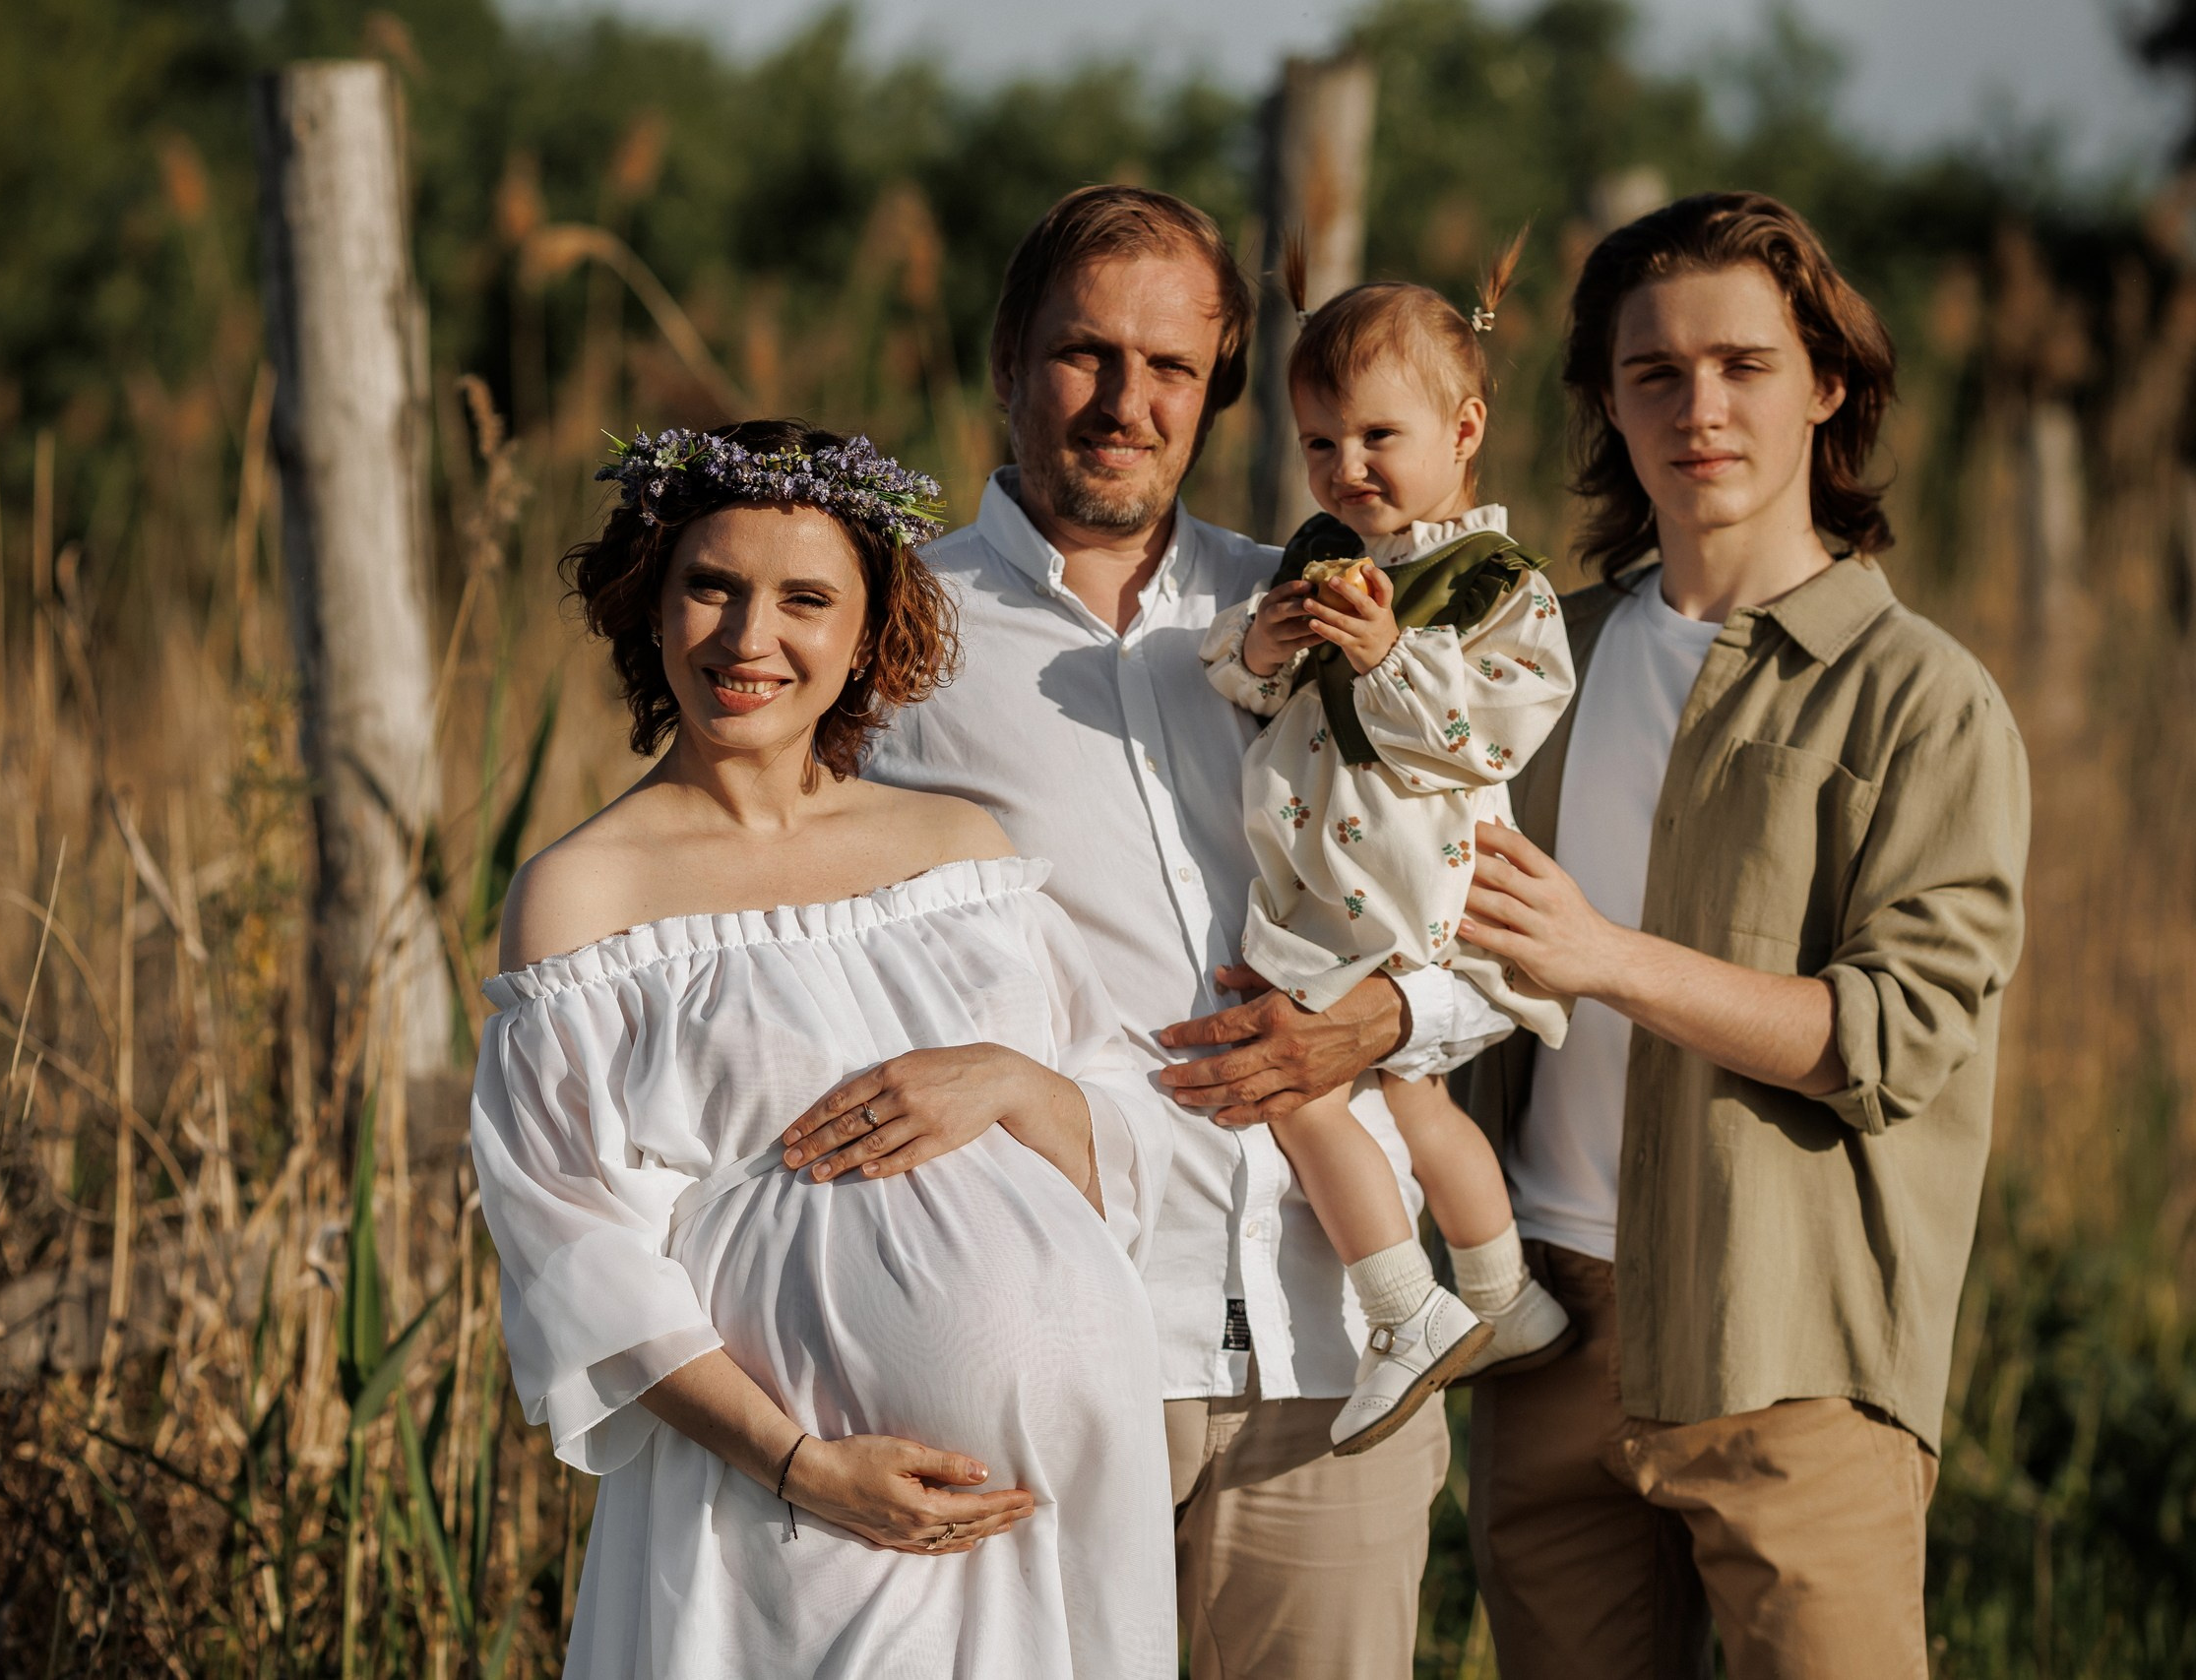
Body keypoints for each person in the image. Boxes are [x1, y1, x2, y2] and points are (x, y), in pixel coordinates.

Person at [866, 184, 1492, 1679]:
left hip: (1338, 1335)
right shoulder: (889, 638)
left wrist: (1387, 1023)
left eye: (1172, 367)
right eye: (1086, 353)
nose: (1125, 403)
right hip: (1046, 1344)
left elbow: (1494, 914)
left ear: (1216, 384)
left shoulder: (1331, 598)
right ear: (1010, 354)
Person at [471, 419, 1176, 1679]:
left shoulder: (960, 850)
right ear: (650, 601)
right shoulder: (585, 895)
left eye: (804, 599)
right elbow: (576, 1251)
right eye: (711, 587)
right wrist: (804, 1469)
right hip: (784, 1506)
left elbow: (1122, 1125)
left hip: (1050, 1504)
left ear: (869, 632)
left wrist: (1013, 1083)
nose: (750, 640)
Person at [1452, 192, 2030, 1676]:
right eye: (1655, 373)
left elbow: (1893, 1038)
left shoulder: (1921, 697)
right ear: (1608, 403)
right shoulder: (1531, 663)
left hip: (1793, 1349)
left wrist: (1606, 955)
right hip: (1542, 1335)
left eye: (1744, 364)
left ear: (1825, 384)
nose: (1699, 407)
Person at [1195, 238, 1576, 1459]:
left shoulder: (1496, 582)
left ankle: (1404, 1306)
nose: (1344, 468)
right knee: (1412, 1098)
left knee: (1298, 1092)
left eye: (1376, 439)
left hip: (1403, 882)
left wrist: (1379, 654)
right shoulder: (1318, 559)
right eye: (1319, 443)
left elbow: (1486, 736)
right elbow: (1250, 700)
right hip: (1332, 880)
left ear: (1462, 433)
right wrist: (1260, 650)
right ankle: (1503, 1291)